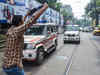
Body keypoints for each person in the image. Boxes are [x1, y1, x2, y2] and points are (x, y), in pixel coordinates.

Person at [2, 3, 48, 75]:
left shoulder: (11, 30)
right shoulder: (18, 31)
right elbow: (32, 20)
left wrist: (26, 14)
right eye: (22, 21)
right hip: (14, 67)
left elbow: (22, 22)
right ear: (20, 23)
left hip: (5, 65)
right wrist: (44, 8)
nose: (23, 22)